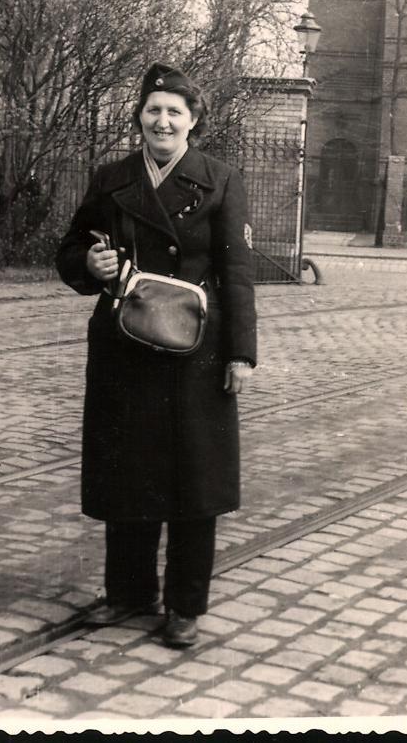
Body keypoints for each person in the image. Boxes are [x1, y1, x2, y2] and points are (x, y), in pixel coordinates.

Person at [56, 63, 257, 648]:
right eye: (153, 110)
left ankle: (185, 605)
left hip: (197, 348)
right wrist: (86, 268)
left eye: (175, 111)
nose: (162, 120)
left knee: (195, 478)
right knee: (129, 471)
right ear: (139, 118)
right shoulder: (111, 178)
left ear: (193, 122)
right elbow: (71, 249)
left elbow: (237, 275)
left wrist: (240, 354)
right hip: (126, 343)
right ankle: (128, 594)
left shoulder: (220, 179)